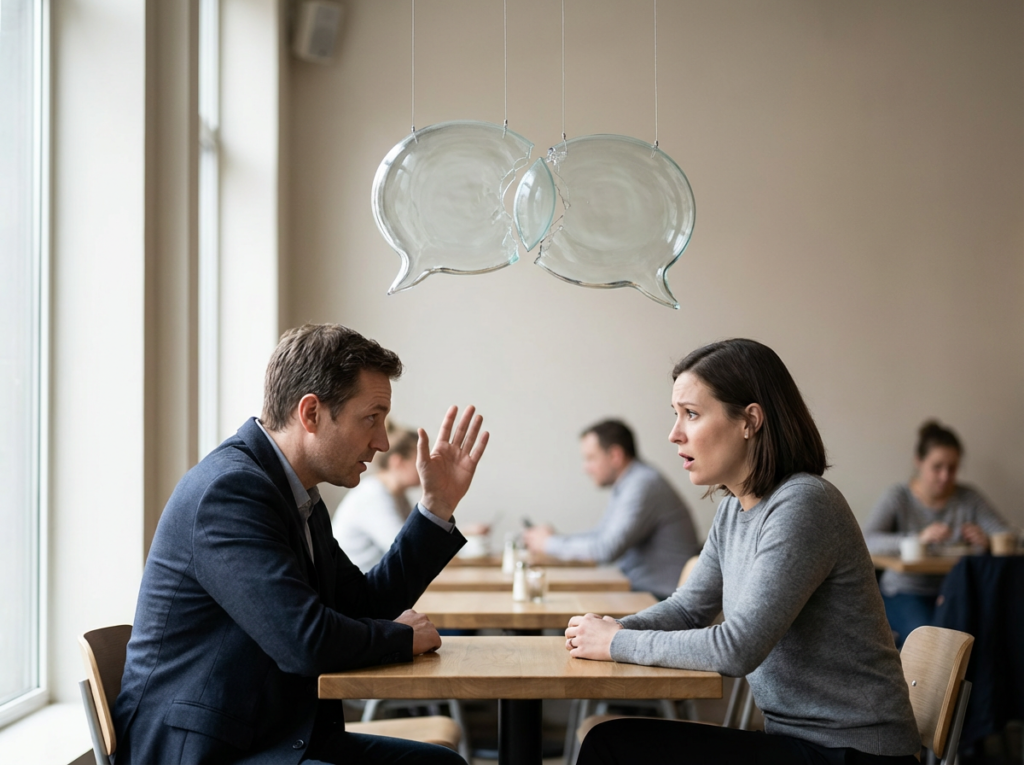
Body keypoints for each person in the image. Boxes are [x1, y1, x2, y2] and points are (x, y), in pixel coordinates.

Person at [112, 323, 488, 765]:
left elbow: (364, 602)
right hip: (206, 752)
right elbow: (303, 642)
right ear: (310, 413)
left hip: (268, 737)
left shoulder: (296, 493)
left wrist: (436, 507)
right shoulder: (230, 492)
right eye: (371, 418)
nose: (383, 441)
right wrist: (402, 639)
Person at [564, 339, 921, 765]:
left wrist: (618, 643)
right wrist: (611, 628)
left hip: (853, 754)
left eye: (691, 414)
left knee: (611, 746)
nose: (674, 433)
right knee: (610, 740)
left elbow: (737, 648)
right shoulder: (735, 508)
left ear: (750, 420)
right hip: (801, 743)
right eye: (675, 414)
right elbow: (687, 610)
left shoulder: (804, 504)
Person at [863, 419, 1009, 648]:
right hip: (904, 591)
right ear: (918, 462)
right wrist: (916, 541)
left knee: (985, 641)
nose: (945, 476)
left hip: (955, 592)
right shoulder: (898, 497)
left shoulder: (968, 498)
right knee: (935, 646)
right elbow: (866, 541)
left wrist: (988, 541)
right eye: (937, 467)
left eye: (952, 468)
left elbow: (1007, 535)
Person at [522, 419, 699, 600]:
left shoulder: (642, 484)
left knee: (568, 609)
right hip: (641, 592)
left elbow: (605, 549)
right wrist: (555, 540)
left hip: (659, 599)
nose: (585, 468)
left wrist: (549, 544)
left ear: (615, 455)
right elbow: (600, 535)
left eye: (590, 458)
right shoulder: (628, 483)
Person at [332, 421, 420, 572]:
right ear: (397, 462)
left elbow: (417, 539)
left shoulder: (397, 495)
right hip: (352, 589)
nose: (426, 465)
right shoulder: (373, 495)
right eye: (419, 460)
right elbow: (409, 550)